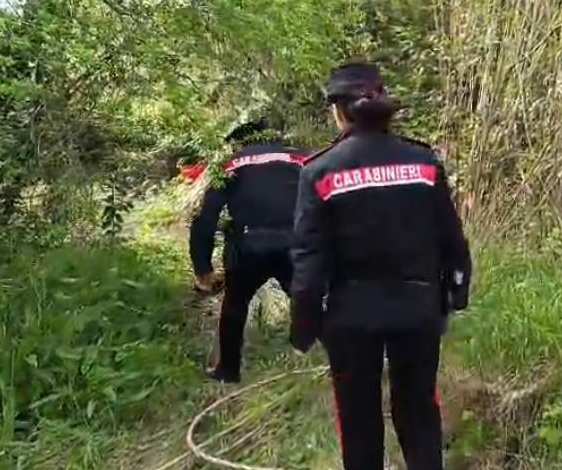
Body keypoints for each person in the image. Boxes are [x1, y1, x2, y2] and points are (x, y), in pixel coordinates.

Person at [288, 61, 472, 470]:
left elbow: (308, 262)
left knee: (358, 420)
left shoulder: (320, 171)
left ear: (338, 111)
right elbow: (452, 236)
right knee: (419, 412)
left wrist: (303, 326)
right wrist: (456, 292)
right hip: (418, 310)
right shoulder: (423, 162)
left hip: (351, 318)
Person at [190, 117, 307, 383]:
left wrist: (203, 269)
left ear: (240, 141)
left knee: (234, 304)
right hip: (296, 244)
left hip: (248, 246)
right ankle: (334, 358)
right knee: (307, 299)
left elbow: (205, 218)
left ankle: (228, 370)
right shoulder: (303, 158)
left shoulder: (231, 164)